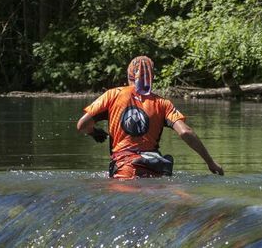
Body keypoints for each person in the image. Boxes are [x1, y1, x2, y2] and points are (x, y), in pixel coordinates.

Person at [77, 56, 224, 179]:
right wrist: (210, 162)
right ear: (151, 77)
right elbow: (185, 132)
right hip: (155, 166)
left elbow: (82, 125)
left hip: (125, 168)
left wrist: (94, 132)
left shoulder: (113, 95)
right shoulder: (163, 104)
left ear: (129, 75)